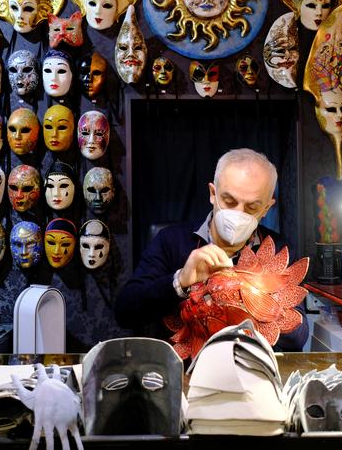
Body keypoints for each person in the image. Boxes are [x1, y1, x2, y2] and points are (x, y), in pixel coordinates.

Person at [115, 148, 309, 351]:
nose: (238, 214)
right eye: (229, 201)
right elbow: (125, 312)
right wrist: (179, 282)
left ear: (267, 209)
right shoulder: (170, 241)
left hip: (248, 372)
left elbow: (297, 337)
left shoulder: (280, 248)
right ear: (212, 193)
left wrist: (243, 293)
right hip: (184, 372)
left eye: (252, 207)